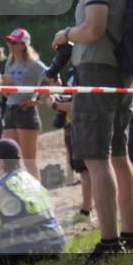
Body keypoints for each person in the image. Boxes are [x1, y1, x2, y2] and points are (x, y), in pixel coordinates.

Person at [52, 0, 133, 262]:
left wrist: (66, 34)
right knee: (120, 155)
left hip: (97, 74)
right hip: (122, 74)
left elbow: (94, 29)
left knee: (96, 158)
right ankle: (128, 236)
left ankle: (108, 243)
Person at [47, 65, 93, 225]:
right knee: (82, 169)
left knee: (87, 169)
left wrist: (55, 104)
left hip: (82, 125)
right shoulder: (73, 72)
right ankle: (86, 209)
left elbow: (79, 103)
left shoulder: (85, 71)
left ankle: (86, 210)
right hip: (72, 124)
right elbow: (71, 98)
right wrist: (56, 97)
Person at [1, 28, 48, 181]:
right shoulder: (9, 64)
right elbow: (8, 93)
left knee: (29, 161)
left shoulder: (34, 64)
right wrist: (5, 88)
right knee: (9, 158)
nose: (10, 45)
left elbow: (56, 81)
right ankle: (18, 192)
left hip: (26, 112)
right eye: (9, 41)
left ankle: (39, 198)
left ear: (23, 45)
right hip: (10, 111)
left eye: (13, 42)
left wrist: (38, 100)